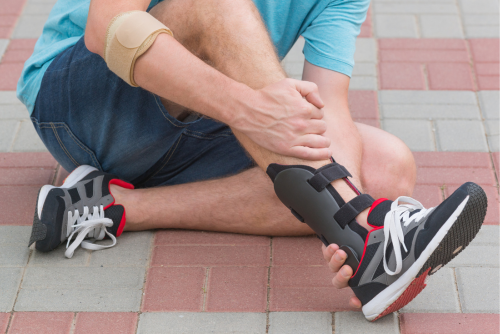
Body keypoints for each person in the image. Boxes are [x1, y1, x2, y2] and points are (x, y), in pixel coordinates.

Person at [19, 0, 487, 321]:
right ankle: (368, 239)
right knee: (216, 2)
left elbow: (331, 108)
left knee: (388, 168)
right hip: (79, 105)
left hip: (202, 113)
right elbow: (107, 30)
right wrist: (248, 111)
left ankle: (113, 207)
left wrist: (344, 207)